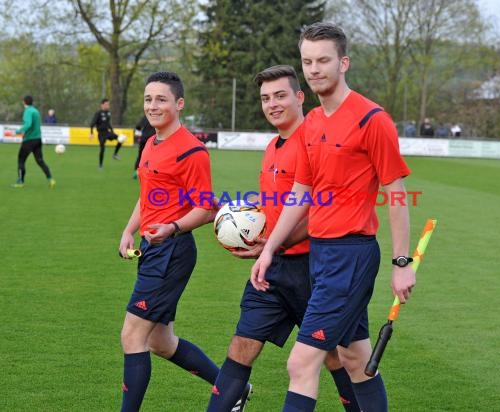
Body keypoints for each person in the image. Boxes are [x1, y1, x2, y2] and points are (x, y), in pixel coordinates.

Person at [251, 22, 415, 412]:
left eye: (323, 60)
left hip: (351, 256)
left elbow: (396, 194)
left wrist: (402, 263)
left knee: (301, 362)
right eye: (307, 61)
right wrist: (269, 249)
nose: (314, 68)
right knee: (356, 359)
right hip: (321, 257)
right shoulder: (310, 123)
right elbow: (300, 192)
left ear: (343, 62)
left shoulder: (371, 119)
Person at [206, 65, 360, 412]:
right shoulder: (273, 146)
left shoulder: (317, 142)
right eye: (265, 98)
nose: (272, 104)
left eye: (280, 95)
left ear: (299, 96)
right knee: (241, 346)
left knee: (336, 357)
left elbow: (322, 210)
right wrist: (240, 217)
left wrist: (275, 244)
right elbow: (279, 204)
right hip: (272, 269)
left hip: (314, 269)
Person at [117, 71, 250, 412]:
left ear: (179, 103)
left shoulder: (192, 151)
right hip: (152, 248)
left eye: (161, 99)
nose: (153, 105)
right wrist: (129, 230)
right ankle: (233, 389)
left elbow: (205, 208)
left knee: (133, 335)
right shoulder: (152, 142)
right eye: (148, 99)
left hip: (171, 251)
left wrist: (172, 227)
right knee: (161, 341)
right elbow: (148, 195)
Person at [11, 95, 56, 189]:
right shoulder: (36, 111)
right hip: (38, 140)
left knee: (21, 160)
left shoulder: (28, 111)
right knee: (40, 161)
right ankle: (51, 179)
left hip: (29, 140)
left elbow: (28, 124)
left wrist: (17, 132)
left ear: (24, 102)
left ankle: (20, 182)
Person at [89, 98, 122, 168]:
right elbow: (92, 124)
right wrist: (91, 133)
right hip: (101, 134)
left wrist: (112, 131)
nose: (108, 106)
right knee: (102, 149)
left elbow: (108, 124)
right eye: (106, 104)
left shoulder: (108, 113)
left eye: (108, 104)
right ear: (102, 105)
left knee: (121, 139)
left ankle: (115, 154)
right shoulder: (98, 113)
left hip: (107, 132)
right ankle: (100, 165)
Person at [132, 115, 155, 179]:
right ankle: (150, 173)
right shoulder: (158, 117)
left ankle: (136, 172)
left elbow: (138, 127)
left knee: (140, 156)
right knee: (153, 157)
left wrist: (138, 134)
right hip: (152, 139)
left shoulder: (145, 117)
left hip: (143, 139)